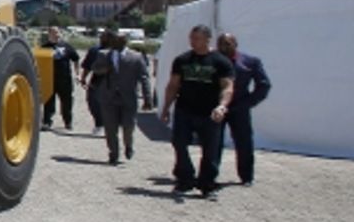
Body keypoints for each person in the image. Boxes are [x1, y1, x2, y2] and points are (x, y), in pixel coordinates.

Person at [160, 24, 235, 196]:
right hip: (185, 109)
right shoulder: (182, 60)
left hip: (209, 112)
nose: (193, 42)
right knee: (179, 143)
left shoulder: (221, 62)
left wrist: (222, 105)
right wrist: (166, 108)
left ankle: (206, 184)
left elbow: (228, 87)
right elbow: (173, 85)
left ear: (208, 39)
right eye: (191, 38)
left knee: (210, 149)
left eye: (197, 38)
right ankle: (185, 179)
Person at [216, 32, 272, 185]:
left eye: (227, 43)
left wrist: (248, 103)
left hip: (239, 107)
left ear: (235, 44)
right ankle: (210, 174)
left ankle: (246, 176)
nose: (223, 47)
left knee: (244, 142)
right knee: (213, 142)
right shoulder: (213, 61)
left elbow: (264, 85)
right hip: (217, 106)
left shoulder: (250, 62)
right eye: (220, 44)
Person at [93, 29, 151, 164]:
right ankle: (113, 153)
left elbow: (144, 78)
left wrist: (147, 98)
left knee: (128, 126)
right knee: (110, 128)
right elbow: (95, 68)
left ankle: (128, 145)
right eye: (114, 40)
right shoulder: (104, 54)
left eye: (119, 40)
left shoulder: (136, 57)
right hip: (108, 97)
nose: (116, 43)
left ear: (125, 42)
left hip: (128, 97)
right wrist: (104, 69)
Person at [40, 27, 81, 130]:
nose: (56, 35)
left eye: (57, 32)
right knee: (48, 102)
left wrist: (78, 74)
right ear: (49, 34)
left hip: (65, 79)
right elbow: (38, 63)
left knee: (67, 102)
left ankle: (68, 122)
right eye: (53, 33)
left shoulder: (66, 46)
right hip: (49, 79)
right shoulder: (44, 47)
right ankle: (47, 122)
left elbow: (76, 59)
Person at [78, 35, 108, 134]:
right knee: (93, 102)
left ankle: (105, 125)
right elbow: (87, 66)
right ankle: (100, 124)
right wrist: (83, 78)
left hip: (110, 80)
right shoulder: (95, 50)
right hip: (97, 80)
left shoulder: (116, 51)